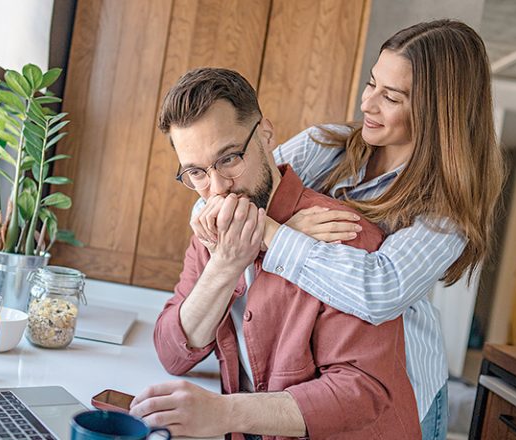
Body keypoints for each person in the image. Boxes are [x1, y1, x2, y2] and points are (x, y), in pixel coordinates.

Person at [191, 19, 505, 440]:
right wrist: (276, 222)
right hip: (315, 373)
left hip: (397, 389)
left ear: (438, 111)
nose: (368, 104)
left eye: (391, 97)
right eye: (372, 83)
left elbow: (378, 291)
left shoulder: (445, 210)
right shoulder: (327, 144)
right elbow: (226, 192)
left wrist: (273, 232)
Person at [130, 68, 421, 439]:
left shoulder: (344, 235)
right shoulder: (212, 229)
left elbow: (359, 391)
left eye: (230, 158)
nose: (217, 189)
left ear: (265, 135)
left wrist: (224, 413)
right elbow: (173, 352)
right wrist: (226, 263)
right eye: (196, 173)